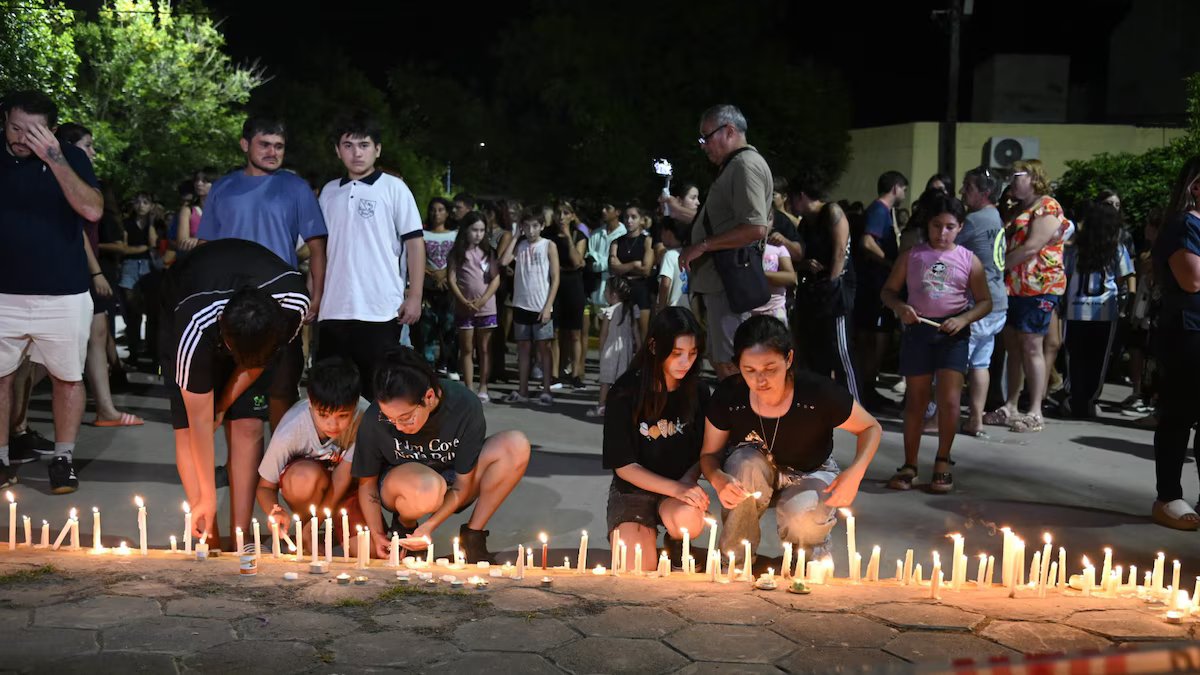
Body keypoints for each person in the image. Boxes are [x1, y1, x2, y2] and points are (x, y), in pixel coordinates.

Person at [159, 238, 310, 546]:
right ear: (226, 342)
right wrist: (208, 497)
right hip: (184, 298)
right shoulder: (194, 328)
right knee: (187, 430)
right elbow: (199, 425)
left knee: (248, 424)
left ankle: (241, 537)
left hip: (253, 326)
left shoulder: (293, 305)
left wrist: (224, 403)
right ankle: (208, 533)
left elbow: (257, 363)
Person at [700, 316, 881, 561]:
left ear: (789, 359)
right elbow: (709, 455)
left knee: (803, 519)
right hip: (753, 471)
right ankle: (736, 560)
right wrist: (718, 478)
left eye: (770, 369)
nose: (760, 380)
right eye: (749, 370)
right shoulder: (730, 396)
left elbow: (870, 427)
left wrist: (855, 473)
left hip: (810, 471)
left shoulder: (817, 393)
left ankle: (807, 554)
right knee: (743, 466)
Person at [0, 90, 103, 491]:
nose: (21, 139)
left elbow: (92, 210)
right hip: (4, 293)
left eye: (33, 131)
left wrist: (55, 157)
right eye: (14, 128)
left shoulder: (70, 158)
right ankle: (2, 457)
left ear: (52, 131)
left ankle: (63, 458)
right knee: (2, 378)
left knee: (67, 378)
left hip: (63, 293)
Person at [197, 116, 327, 428]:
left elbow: (318, 245)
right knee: (236, 397)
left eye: (279, 146)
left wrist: (317, 295)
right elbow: (205, 246)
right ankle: (237, 470)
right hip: (231, 305)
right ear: (245, 145)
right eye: (264, 144)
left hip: (282, 303)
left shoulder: (296, 188)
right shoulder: (223, 188)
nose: (272, 152)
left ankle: (279, 469)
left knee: (282, 389)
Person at [352, 346, 531, 561]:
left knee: (515, 445)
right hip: (402, 485)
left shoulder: (464, 405)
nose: (397, 426)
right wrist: (377, 534)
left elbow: (463, 485)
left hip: (453, 479)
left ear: (428, 396)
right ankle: (405, 525)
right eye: (389, 418)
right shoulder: (374, 418)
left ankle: (473, 535)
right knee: (427, 487)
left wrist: (430, 526)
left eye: (405, 417)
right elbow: (367, 484)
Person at [881, 194, 991, 493]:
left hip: (952, 334)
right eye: (936, 225)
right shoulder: (912, 256)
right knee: (916, 400)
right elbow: (888, 291)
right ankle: (910, 464)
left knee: (950, 400)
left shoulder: (969, 260)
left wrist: (964, 319)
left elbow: (984, 302)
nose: (942, 233)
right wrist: (900, 307)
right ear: (927, 225)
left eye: (950, 227)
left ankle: (943, 460)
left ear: (960, 228)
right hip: (918, 331)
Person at [316, 113, 424, 400]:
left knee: (379, 395)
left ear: (377, 149)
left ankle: (377, 447)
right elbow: (319, 250)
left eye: (364, 145)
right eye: (348, 145)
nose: (356, 153)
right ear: (338, 151)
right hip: (333, 309)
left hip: (379, 310)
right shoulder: (328, 193)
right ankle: (337, 447)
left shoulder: (394, 188)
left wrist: (414, 296)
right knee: (332, 395)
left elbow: (415, 243)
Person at [602, 308, 708, 570]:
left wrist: (686, 482)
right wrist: (677, 488)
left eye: (692, 354)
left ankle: (676, 541)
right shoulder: (626, 392)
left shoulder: (699, 391)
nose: (685, 362)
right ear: (653, 346)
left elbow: (707, 451)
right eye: (676, 354)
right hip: (634, 490)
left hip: (678, 488)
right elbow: (624, 465)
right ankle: (641, 534)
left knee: (687, 522)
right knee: (635, 569)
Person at [53, 123, 141, 429]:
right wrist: (97, 271)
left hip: (86, 267)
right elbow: (77, 233)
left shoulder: (85, 180)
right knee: (41, 354)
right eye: (87, 145)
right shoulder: (63, 180)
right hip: (76, 270)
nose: (92, 151)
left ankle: (106, 408)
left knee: (98, 335)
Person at [680, 104, 773, 381]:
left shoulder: (745, 165)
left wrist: (703, 245)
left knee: (732, 365)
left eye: (706, 137)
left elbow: (755, 227)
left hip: (728, 284)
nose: (703, 145)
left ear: (729, 131)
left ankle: (742, 422)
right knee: (725, 361)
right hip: (723, 282)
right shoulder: (735, 166)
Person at [256, 357, 369, 556]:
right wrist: (275, 511)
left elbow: (342, 478)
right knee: (303, 477)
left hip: (347, 490)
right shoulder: (292, 428)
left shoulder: (365, 419)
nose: (333, 425)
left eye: (343, 416)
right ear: (309, 401)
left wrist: (316, 523)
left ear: (356, 403)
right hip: (310, 488)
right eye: (323, 415)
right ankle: (307, 532)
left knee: (369, 552)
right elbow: (265, 487)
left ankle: (322, 532)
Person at [988, 159, 1068, 433]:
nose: (1011, 180)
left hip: (1039, 286)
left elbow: (1032, 247)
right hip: (1015, 286)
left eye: (1016, 175)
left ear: (1034, 177)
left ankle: (1035, 409)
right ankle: (1011, 404)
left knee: (1032, 345)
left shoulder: (1048, 206)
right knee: (1013, 347)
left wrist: (997, 269)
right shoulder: (1018, 208)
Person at [1150, 156, 1200, 530]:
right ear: (1196, 186)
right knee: (1179, 415)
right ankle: (1168, 496)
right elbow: (1192, 280)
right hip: (1188, 332)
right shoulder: (1183, 225)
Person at [786, 172, 859, 398]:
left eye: (791, 198)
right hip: (813, 288)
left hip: (835, 290)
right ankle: (821, 403)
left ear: (801, 196)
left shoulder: (832, 212)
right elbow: (801, 255)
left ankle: (853, 404)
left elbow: (840, 251)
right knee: (815, 350)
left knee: (840, 351)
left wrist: (832, 282)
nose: (789, 204)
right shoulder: (805, 223)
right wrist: (804, 265)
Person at [1059, 202, 1134, 419]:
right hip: (1104, 312)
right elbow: (1123, 278)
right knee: (1098, 360)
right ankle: (1089, 400)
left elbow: (1067, 276)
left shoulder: (1074, 249)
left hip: (1075, 311)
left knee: (1075, 357)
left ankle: (1074, 398)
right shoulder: (1117, 249)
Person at [957, 167, 1008, 437]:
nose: (963, 192)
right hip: (996, 301)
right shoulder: (995, 216)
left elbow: (946, 246)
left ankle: (938, 418)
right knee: (980, 363)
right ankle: (975, 420)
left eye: (968, 186)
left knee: (954, 364)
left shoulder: (975, 220)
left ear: (985, 192)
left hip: (978, 303)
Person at [854, 171, 908, 408]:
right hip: (874, 286)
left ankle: (867, 387)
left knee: (873, 338)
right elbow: (867, 241)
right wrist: (889, 263)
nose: (904, 194)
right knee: (876, 339)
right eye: (904, 189)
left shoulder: (883, 212)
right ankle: (866, 388)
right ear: (896, 188)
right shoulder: (878, 211)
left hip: (873, 285)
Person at [500, 208, 560, 405]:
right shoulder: (521, 245)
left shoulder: (548, 245)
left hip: (541, 304)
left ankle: (546, 389)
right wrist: (516, 235)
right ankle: (523, 389)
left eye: (535, 226)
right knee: (523, 348)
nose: (531, 230)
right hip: (521, 304)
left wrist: (548, 305)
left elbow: (555, 277)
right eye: (527, 226)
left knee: (544, 348)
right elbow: (504, 260)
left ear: (542, 226)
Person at [447, 211, 499, 401]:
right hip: (464, 307)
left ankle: (483, 386)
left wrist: (483, 299)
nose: (478, 234)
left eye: (482, 230)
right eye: (474, 230)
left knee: (484, 349)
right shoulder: (457, 253)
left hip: (486, 307)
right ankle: (469, 388)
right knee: (467, 349)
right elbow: (451, 278)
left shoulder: (489, 252)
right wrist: (462, 299)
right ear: (465, 230)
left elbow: (495, 279)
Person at [549, 200, 588, 388]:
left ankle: (576, 374)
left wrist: (567, 238)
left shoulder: (578, 235)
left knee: (575, 333)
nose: (561, 217)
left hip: (573, 283)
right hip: (554, 284)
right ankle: (554, 374)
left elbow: (577, 261)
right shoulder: (547, 235)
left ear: (572, 216)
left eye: (566, 213)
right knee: (554, 331)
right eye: (558, 212)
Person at [118, 192, 160, 364]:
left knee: (152, 310)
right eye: (138, 202)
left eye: (145, 202)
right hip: (130, 266)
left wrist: (150, 223)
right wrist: (143, 248)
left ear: (151, 205)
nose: (141, 205)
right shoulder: (126, 223)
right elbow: (124, 249)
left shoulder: (156, 223)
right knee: (132, 310)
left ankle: (152, 350)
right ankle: (133, 350)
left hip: (149, 266)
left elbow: (153, 243)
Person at [417, 197, 457, 373]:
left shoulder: (455, 234)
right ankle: (429, 367)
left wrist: (446, 276)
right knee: (428, 331)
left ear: (447, 213)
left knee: (450, 331)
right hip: (429, 289)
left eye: (441, 210)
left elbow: (459, 259)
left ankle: (450, 365)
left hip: (450, 291)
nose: (436, 213)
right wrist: (433, 274)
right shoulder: (422, 234)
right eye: (433, 209)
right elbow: (417, 258)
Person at [589, 277, 639, 417]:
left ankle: (602, 406)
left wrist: (601, 350)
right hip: (626, 350)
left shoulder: (609, 311)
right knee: (623, 380)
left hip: (610, 350)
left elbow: (603, 334)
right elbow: (636, 332)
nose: (604, 293)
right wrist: (639, 348)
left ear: (614, 295)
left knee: (606, 380)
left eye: (606, 290)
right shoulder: (632, 309)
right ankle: (622, 407)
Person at [610, 204, 655, 342]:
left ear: (641, 220)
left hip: (641, 288)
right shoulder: (617, 241)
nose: (629, 220)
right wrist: (634, 264)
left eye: (633, 217)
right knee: (620, 330)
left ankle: (643, 361)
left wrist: (622, 266)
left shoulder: (647, 241)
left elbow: (646, 269)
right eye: (626, 217)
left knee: (643, 331)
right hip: (622, 287)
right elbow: (613, 266)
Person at [751, 223, 796, 323]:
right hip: (748, 313)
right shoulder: (743, 248)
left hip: (775, 311)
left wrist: (759, 275)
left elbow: (790, 278)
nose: (764, 223)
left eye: (769, 219)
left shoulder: (778, 248)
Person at [175, 169, 215, 254]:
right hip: (195, 261)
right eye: (197, 180)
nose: (199, 183)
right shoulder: (187, 210)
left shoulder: (224, 210)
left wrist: (198, 241)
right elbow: (181, 243)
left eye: (204, 181)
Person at [656, 219, 690, 312]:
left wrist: (661, 308)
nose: (661, 236)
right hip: (690, 307)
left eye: (662, 232)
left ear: (669, 233)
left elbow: (665, 284)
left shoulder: (669, 255)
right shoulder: (689, 253)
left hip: (674, 309)